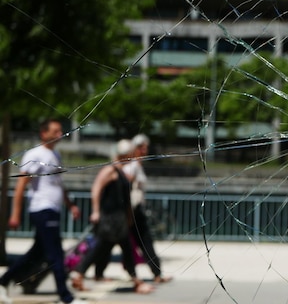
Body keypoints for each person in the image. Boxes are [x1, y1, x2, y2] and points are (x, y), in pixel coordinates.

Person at [0, 119, 87, 304]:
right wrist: (15, 214)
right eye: (55, 131)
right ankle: (66, 297)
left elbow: (59, 185)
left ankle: (3, 281)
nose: (59, 134)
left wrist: (70, 204)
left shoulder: (55, 154)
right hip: (42, 209)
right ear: (43, 133)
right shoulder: (34, 154)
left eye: (60, 130)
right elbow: (21, 185)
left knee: (37, 253)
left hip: (53, 210)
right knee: (56, 253)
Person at [68, 139, 153, 294]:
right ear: (124, 154)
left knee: (104, 248)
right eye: (131, 154)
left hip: (119, 218)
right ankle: (136, 282)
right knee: (117, 248)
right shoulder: (111, 170)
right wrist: (95, 211)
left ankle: (79, 274)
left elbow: (126, 198)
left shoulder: (121, 172)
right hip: (110, 218)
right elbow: (96, 189)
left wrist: (128, 216)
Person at [94, 134, 171, 283]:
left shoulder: (135, 164)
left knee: (112, 242)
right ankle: (152, 274)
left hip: (131, 208)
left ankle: (101, 272)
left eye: (145, 147)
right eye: (141, 147)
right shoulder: (130, 165)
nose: (144, 150)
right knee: (137, 240)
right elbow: (123, 182)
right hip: (129, 209)